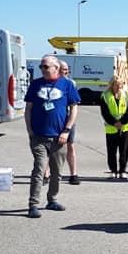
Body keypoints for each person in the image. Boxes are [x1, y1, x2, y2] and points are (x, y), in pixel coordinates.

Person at [24, 55, 80, 218]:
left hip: (59, 137)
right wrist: (29, 130)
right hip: (39, 136)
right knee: (39, 169)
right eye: (41, 66)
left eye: (46, 66)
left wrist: (66, 131)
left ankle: (52, 199)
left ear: (56, 68)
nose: (43, 69)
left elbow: (74, 109)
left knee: (57, 172)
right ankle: (33, 204)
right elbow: (29, 108)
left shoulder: (67, 85)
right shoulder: (35, 84)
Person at [100, 76, 128, 180]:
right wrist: (114, 122)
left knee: (124, 150)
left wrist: (122, 122)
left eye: (120, 85)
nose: (118, 87)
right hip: (111, 128)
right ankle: (113, 170)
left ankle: (123, 170)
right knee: (111, 151)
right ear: (111, 85)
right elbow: (104, 112)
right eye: (116, 85)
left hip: (125, 127)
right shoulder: (105, 96)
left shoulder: (127, 95)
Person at [59, 61, 81, 185]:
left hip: (68, 118)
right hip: (56, 118)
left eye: (66, 69)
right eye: (63, 69)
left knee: (70, 145)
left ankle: (73, 174)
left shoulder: (71, 83)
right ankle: (47, 173)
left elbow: (74, 104)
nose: (65, 71)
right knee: (51, 147)